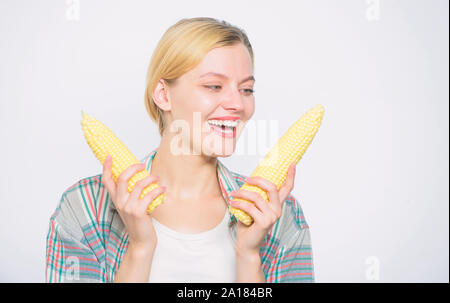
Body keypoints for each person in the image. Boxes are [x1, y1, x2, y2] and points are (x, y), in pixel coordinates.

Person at [45, 17, 315, 283]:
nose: (237, 104)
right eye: (214, 86)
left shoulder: (279, 214)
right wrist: (140, 250)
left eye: (246, 89)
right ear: (163, 95)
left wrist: (248, 257)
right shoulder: (83, 208)